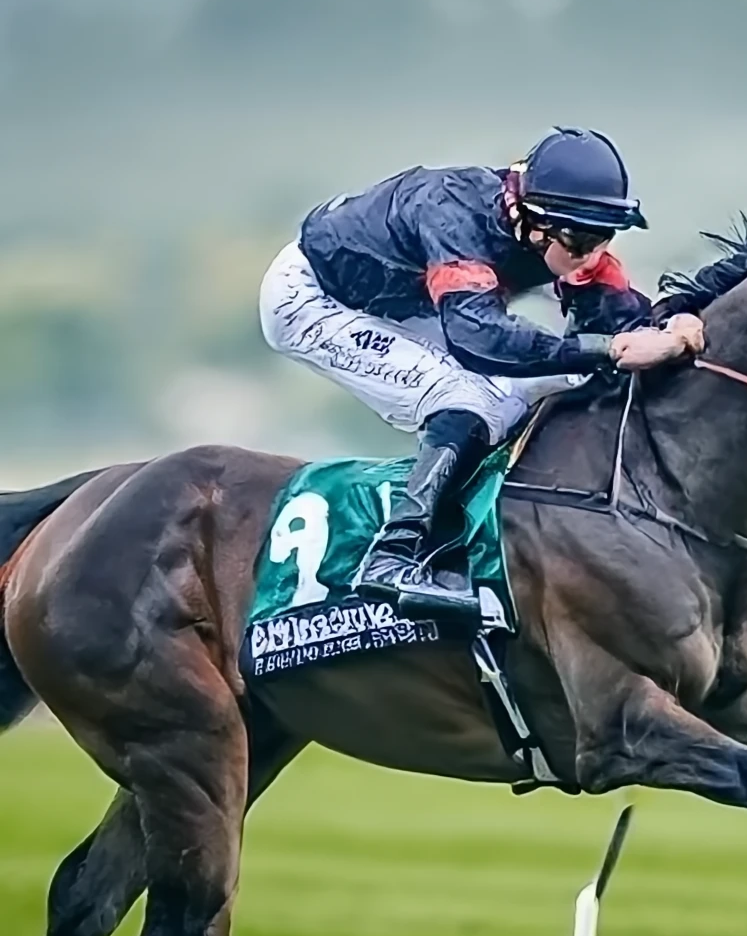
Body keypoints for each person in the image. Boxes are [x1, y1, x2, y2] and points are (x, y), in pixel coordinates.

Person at [259, 126, 704, 615]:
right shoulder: (456, 220)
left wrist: (675, 322)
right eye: (580, 238)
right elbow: (480, 340)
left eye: (604, 236)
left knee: (542, 386)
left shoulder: (561, 233)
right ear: (533, 223)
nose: (591, 253)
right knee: (468, 399)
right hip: (310, 299)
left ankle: (466, 543)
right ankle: (391, 558)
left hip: (402, 303)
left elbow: (625, 320)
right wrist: (610, 348)